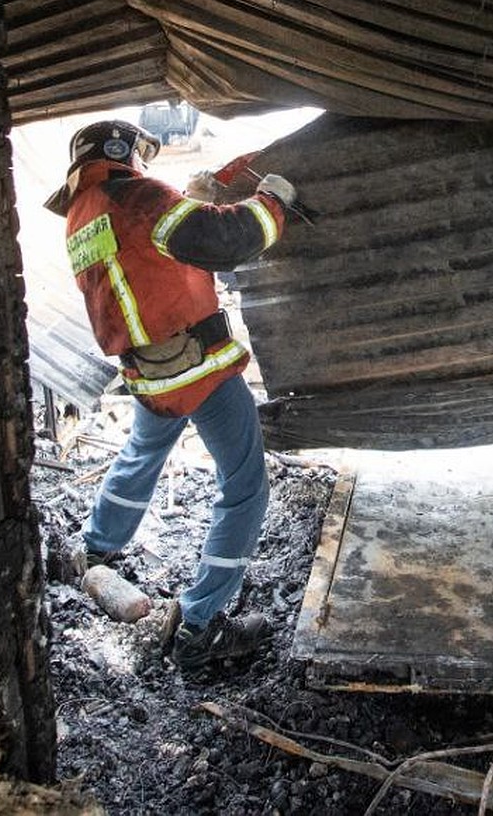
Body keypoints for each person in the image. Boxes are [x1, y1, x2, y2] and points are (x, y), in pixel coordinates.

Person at [45, 119, 297, 673]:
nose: (143, 164)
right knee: (245, 487)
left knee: (142, 453)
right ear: (122, 152)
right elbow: (223, 241)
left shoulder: (82, 216)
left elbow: (144, 260)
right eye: (138, 154)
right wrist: (272, 200)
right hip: (197, 367)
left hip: (148, 371)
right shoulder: (136, 194)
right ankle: (203, 625)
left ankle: (95, 549)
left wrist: (190, 200)